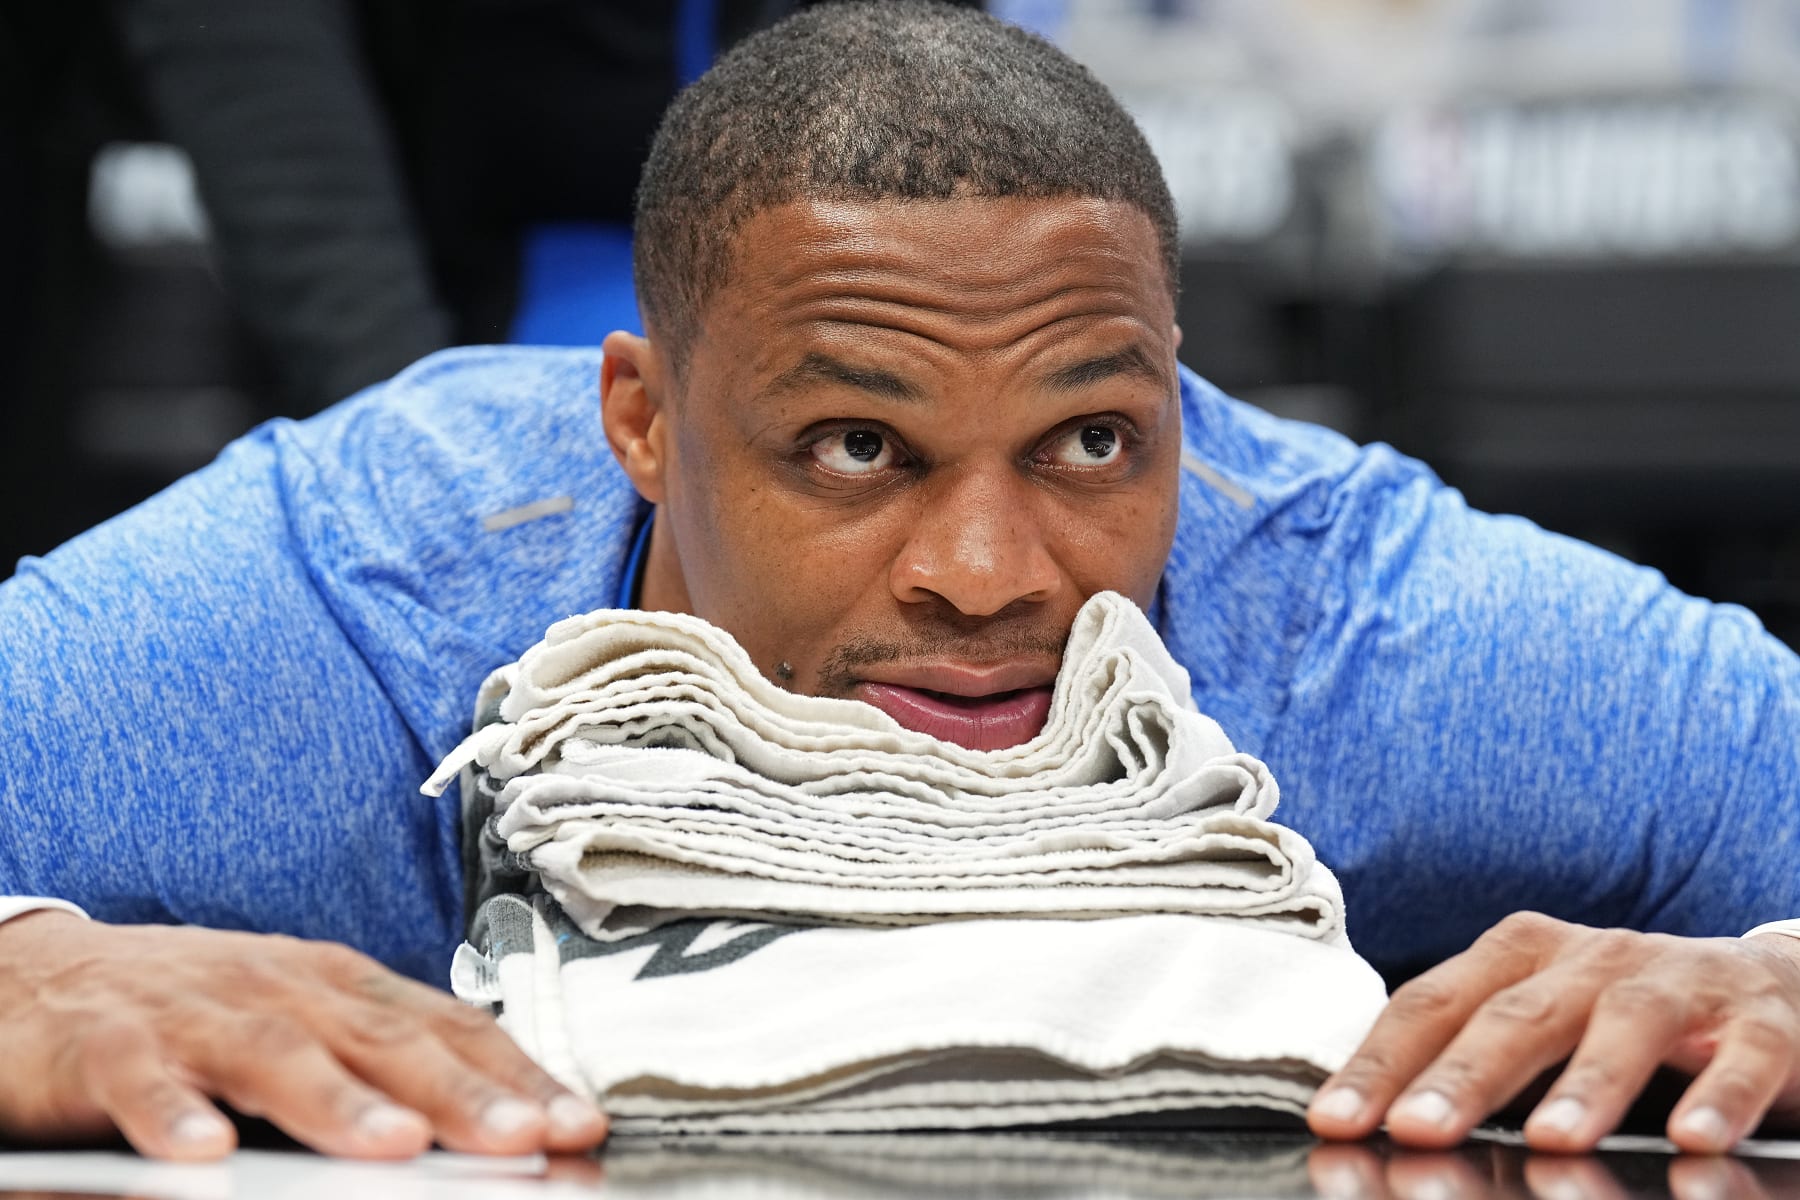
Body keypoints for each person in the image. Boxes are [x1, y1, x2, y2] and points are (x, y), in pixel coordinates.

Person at [3, 0, 1798, 1165]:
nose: (985, 575)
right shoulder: (348, 616)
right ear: (640, 422)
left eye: (1092, 444)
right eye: (857, 450)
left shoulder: (1341, 614)